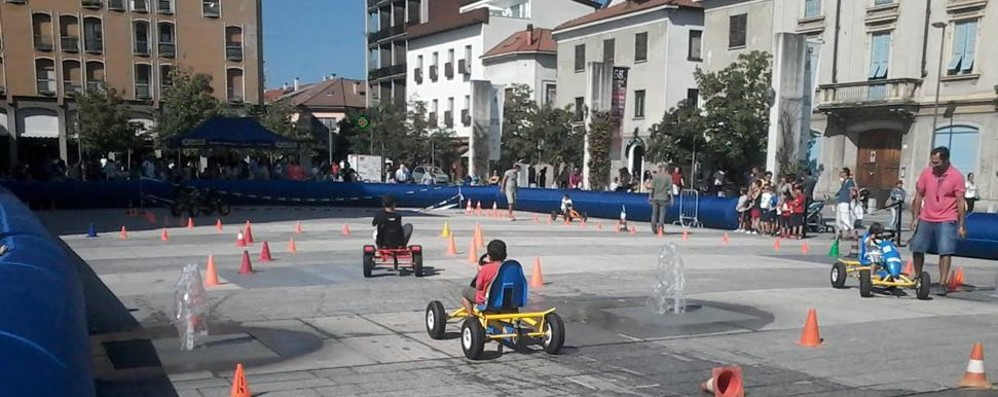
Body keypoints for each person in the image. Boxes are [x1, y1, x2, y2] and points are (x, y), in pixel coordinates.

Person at [910, 146, 967, 296]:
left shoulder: (956, 176)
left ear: (946, 160)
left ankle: (942, 283)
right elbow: (918, 196)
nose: (933, 165)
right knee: (917, 248)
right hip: (926, 217)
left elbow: (961, 202)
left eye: (937, 163)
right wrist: (915, 218)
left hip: (947, 218)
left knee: (945, 250)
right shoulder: (926, 173)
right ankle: (918, 278)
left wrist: (961, 225)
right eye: (932, 162)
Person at [461, 240, 507, 317]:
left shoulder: (486, 269)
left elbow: (478, 286)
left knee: (465, 292)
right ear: (505, 255)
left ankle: (471, 317)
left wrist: (480, 271)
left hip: (487, 300)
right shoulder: (508, 267)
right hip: (506, 299)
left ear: (489, 256)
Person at [648, 164, 672, 234]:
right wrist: (672, 198)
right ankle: (660, 228)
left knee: (654, 214)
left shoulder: (655, 176)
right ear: (666, 169)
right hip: (664, 198)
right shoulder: (669, 177)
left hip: (655, 197)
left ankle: (653, 228)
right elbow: (669, 189)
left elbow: (652, 188)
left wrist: (650, 196)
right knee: (662, 214)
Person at [835, 168, 857, 241]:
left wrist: (850, 200)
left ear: (845, 173)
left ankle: (847, 233)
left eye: (842, 172)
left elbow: (851, 191)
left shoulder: (849, 181)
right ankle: (840, 232)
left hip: (845, 201)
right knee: (839, 218)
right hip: (841, 200)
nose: (840, 173)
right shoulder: (844, 181)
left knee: (845, 217)